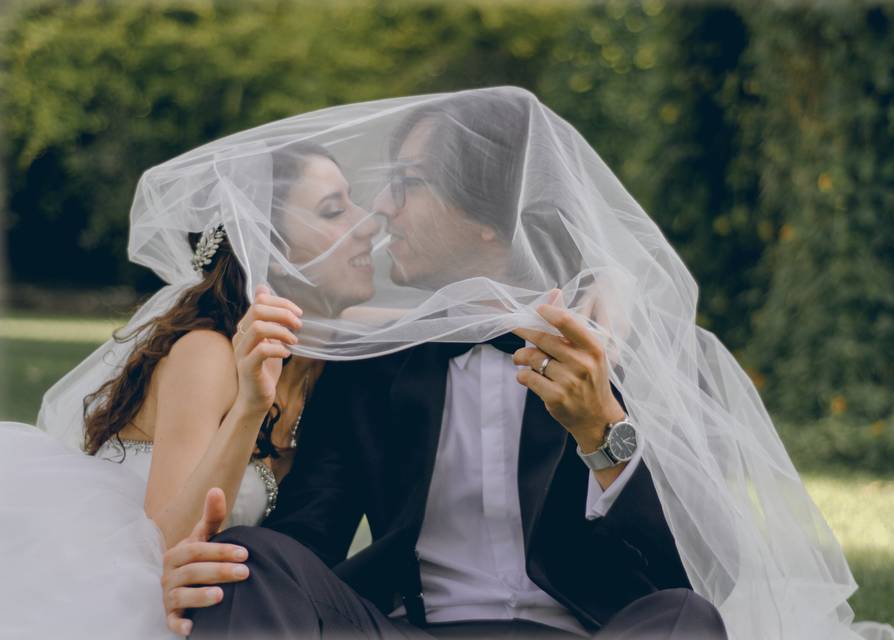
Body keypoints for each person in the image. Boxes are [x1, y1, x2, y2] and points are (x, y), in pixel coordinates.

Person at [170, 90, 729, 639]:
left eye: (407, 185)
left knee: (687, 617)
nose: (383, 209)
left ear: (489, 215)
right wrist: (220, 568)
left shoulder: (633, 354)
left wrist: (602, 432)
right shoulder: (372, 364)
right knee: (248, 561)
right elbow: (305, 540)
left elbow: (701, 574)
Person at [0, 143, 379, 639]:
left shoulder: (332, 349)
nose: (368, 223)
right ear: (274, 253)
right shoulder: (207, 354)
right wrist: (250, 408)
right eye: (335, 210)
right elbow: (166, 543)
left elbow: (448, 318)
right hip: (126, 574)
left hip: (235, 596)